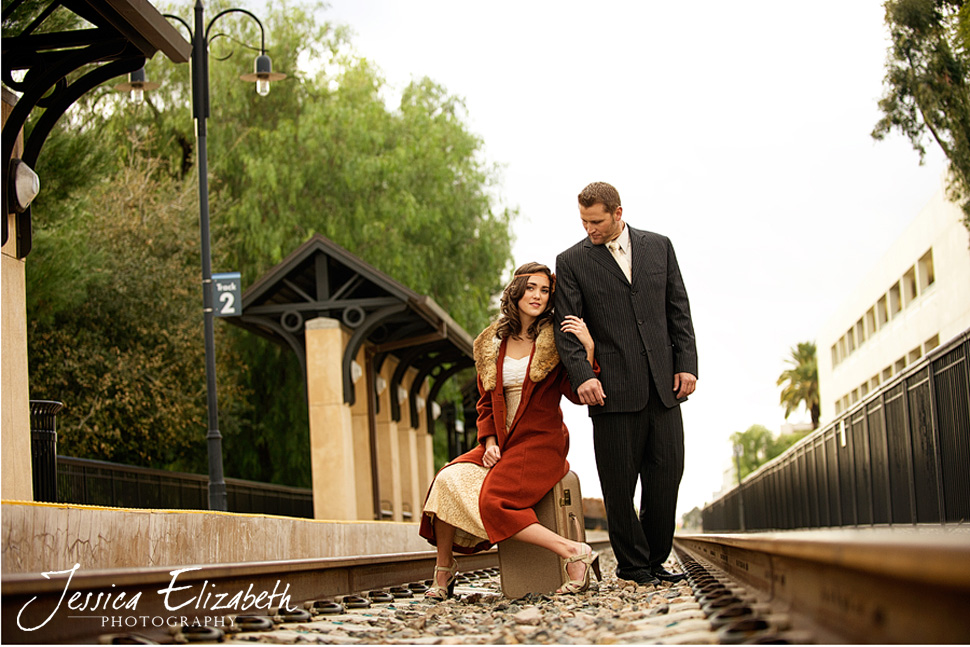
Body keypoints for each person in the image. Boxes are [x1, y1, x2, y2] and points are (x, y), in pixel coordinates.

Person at [418, 262, 601, 599]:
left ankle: (574, 552)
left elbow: (578, 393)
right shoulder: (492, 342)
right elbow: (485, 403)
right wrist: (488, 441)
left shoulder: (556, 339)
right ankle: (444, 571)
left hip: (541, 442)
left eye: (545, 291)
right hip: (502, 442)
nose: (538, 296)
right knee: (445, 481)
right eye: (531, 288)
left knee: (494, 501)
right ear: (516, 292)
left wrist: (587, 349)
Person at [553, 181, 697, 586]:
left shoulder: (660, 247)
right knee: (619, 485)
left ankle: (654, 560)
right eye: (583, 221)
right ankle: (634, 568)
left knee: (666, 477)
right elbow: (567, 329)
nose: (589, 229)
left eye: (595, 221)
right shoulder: (572, 262)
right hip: (610, 390)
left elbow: (678, 310)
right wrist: (582, 376)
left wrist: (687, 364)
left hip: (664, 387)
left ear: (618, 213)